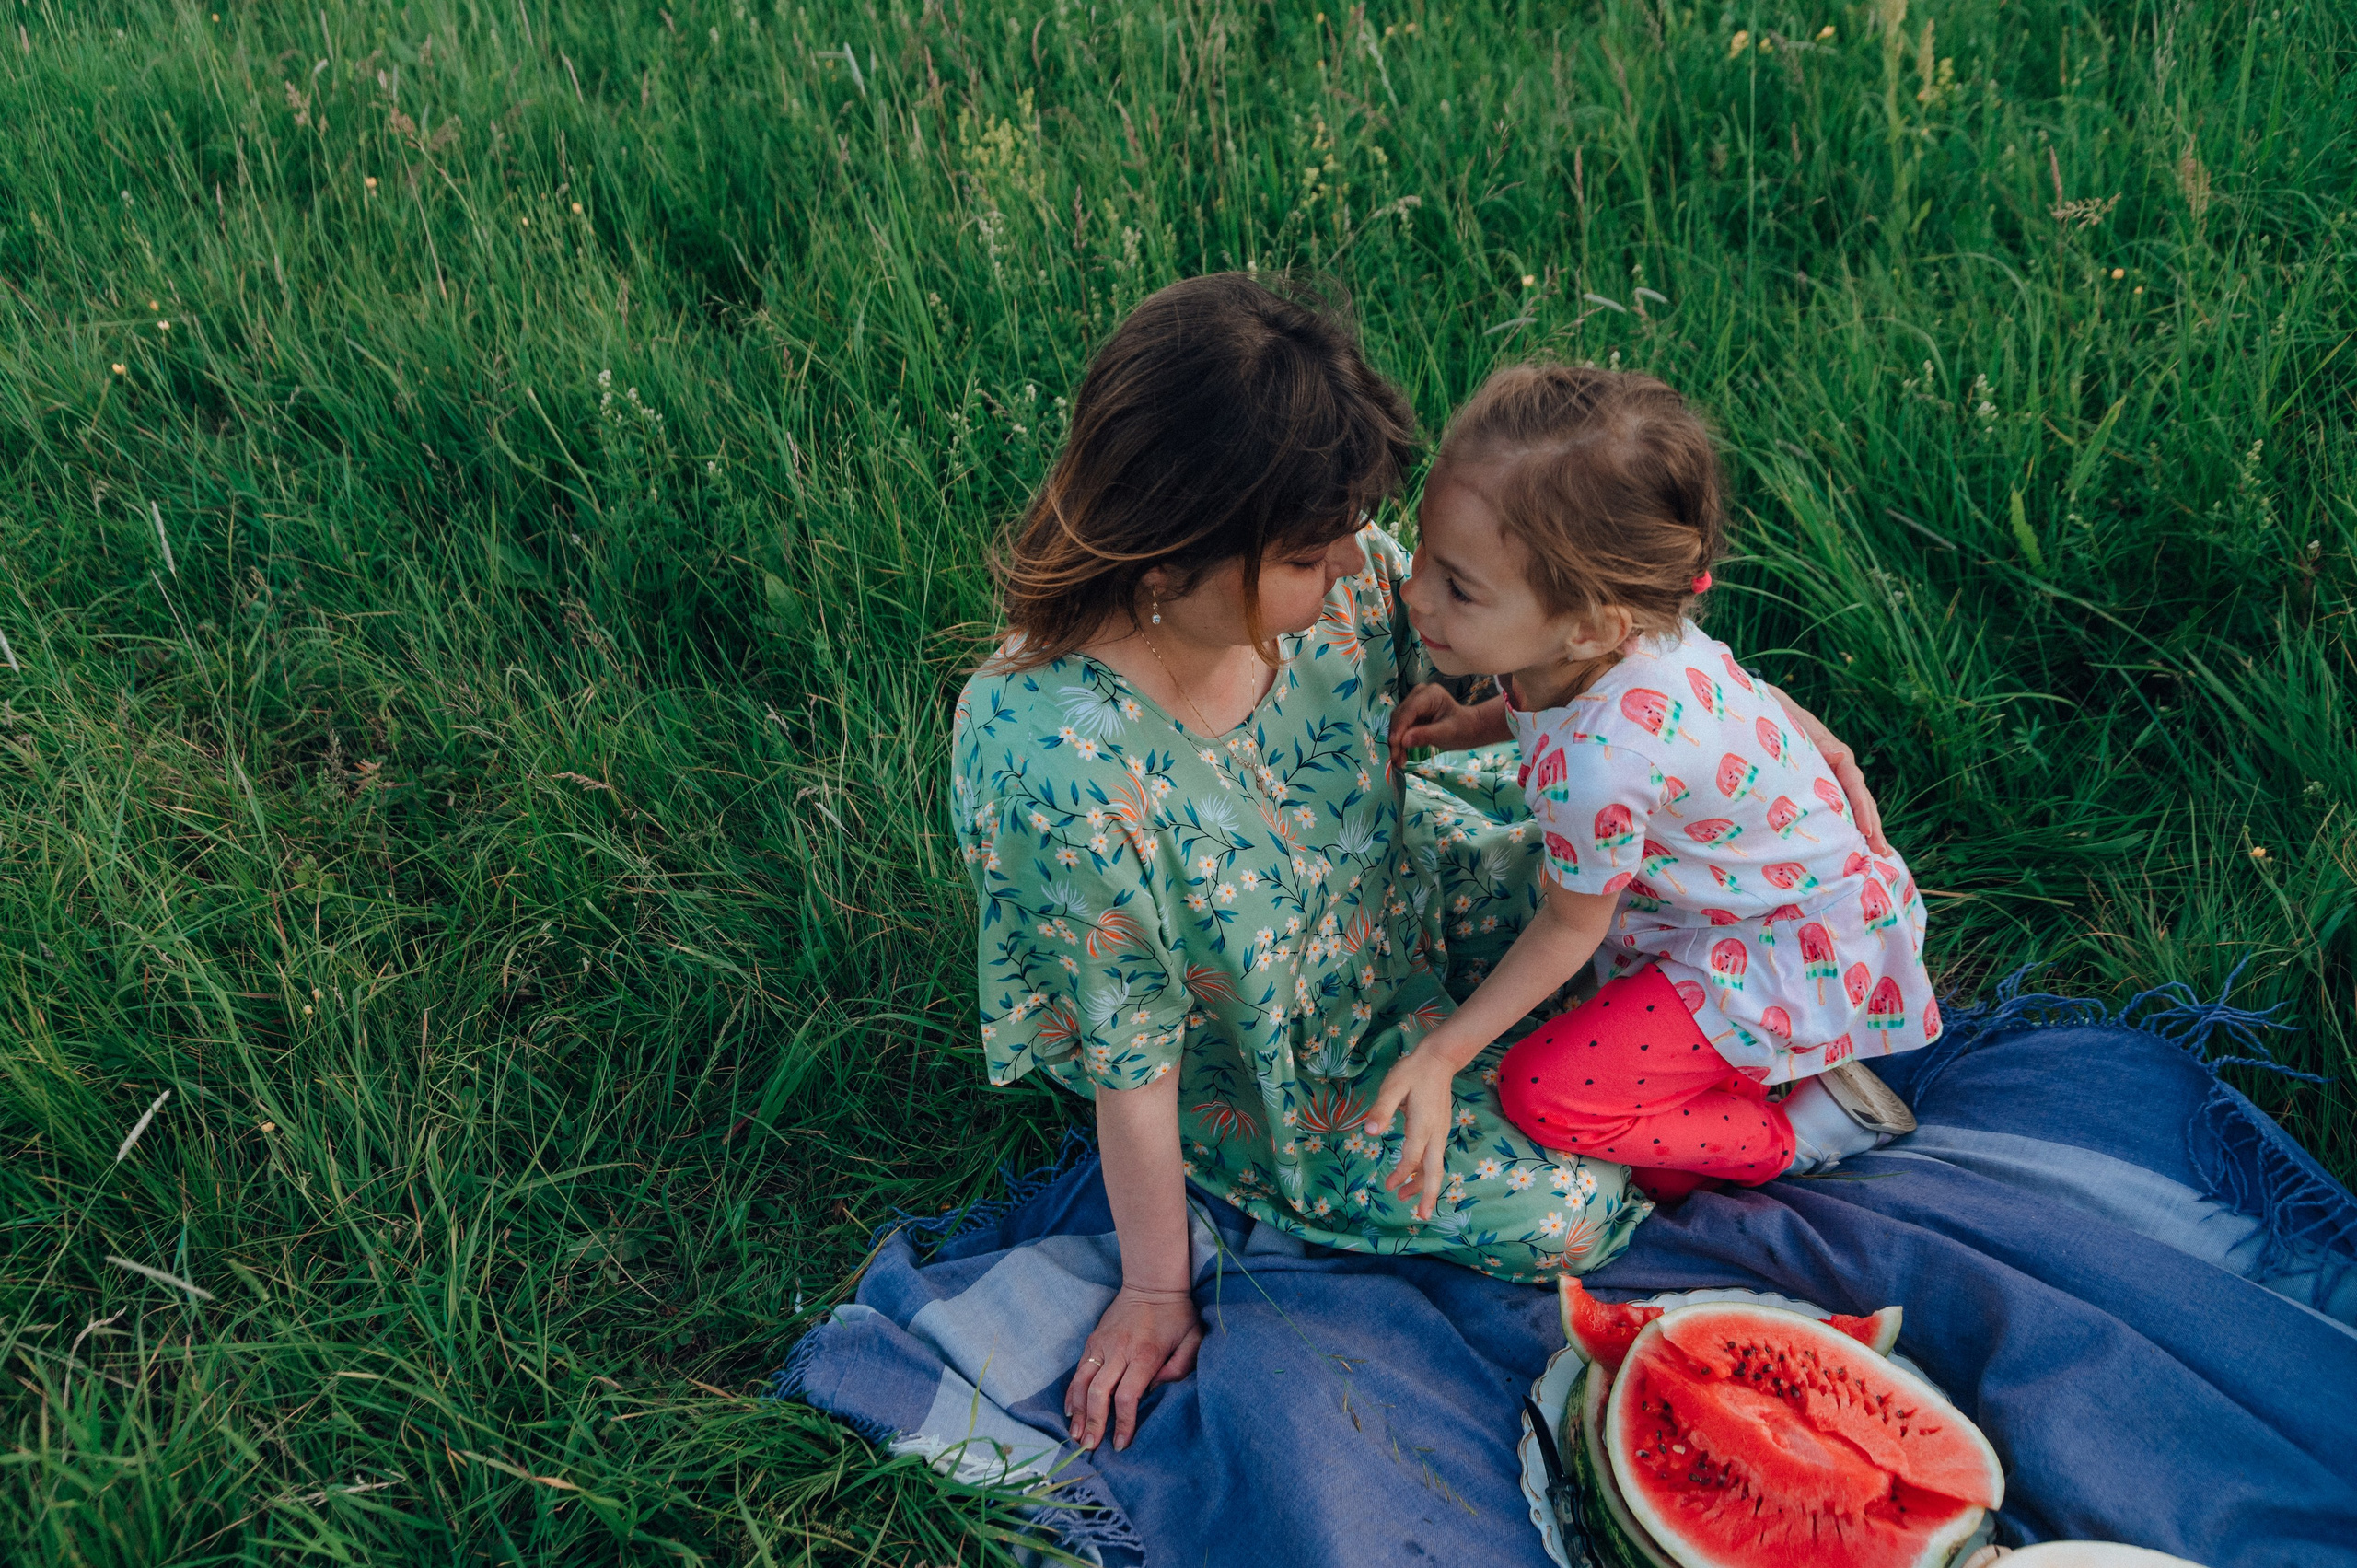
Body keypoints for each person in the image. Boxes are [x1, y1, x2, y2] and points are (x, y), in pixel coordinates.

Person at [950, 277, 1881, 1454]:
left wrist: (1768, 723)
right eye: (1312, 547)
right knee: (1568, 1202)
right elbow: (1128, 1052)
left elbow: (1593, 637)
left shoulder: (1335, 583)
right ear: (1174, 553)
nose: (1357, 562)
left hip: (1409, 888)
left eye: (1354, 526)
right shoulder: (1056, 768)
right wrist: (1153, 1284)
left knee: (1652, 873)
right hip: (1277, 1061)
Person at [1366, 363, 1933, 1214]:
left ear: (1590, 623)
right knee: (1635, 1121)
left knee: (1548, 1097)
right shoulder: (1591, 641)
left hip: (1771, 947)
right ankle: (1772, 1070)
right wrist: (1465, 717)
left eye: (1456, 586)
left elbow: (1569, 922)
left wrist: (1444, 1052)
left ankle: (1805, 1129)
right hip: (1727, 904)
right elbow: (1532, 697)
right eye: (1426, 556)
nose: (1413, 594)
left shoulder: (1606, 762)